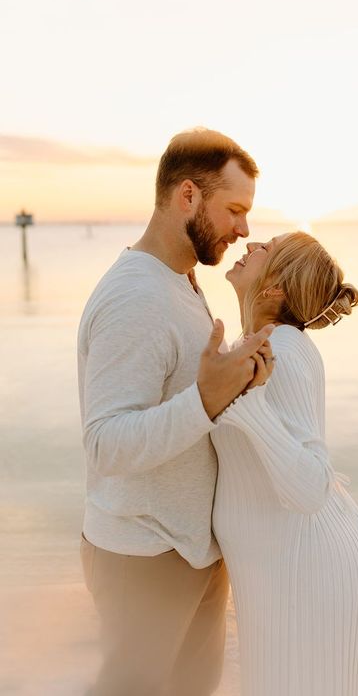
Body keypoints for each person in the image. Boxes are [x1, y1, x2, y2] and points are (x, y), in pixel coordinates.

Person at [77, 128, 275, 696]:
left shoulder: (181, 280)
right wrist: (207, 400)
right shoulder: (135, 297)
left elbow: (183, 382)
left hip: (190, 549)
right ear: (188, 196)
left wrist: (239, 371)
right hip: (143, 554)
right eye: (234, 209)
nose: (244, 229)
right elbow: (106, 444)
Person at [211, 231, 358, 696]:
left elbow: (310, 486)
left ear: (276, 288)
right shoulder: (261, 344)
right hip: (283, 562)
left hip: (305, 566)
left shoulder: (282, 352)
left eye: (265, 249)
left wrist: (246, 409)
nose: (251, 244)